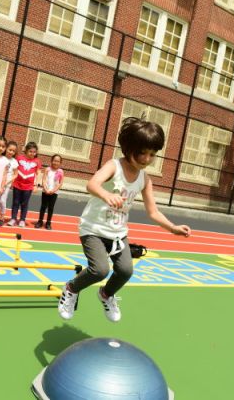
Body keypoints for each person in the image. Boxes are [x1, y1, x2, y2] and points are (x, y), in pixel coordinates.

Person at [58, 117, 191, 322]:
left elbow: (153, 211)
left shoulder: (144, 180)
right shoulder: (114, 166)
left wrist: (173, 228)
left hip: (118, 233)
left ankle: (106, 294)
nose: (146, 159)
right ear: (129, 147)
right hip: (93, 229)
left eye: (152, 154)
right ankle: (71, 288)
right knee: (100, 269)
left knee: (126, 270)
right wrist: (106, 195)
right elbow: (92, 184)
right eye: (142, 153)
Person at [8, 142, 42, 227]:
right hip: (17, 184)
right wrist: (12, 181)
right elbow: (14, 170)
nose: (32, 153)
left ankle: (22, 219)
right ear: (26, 151)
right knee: (15, 202)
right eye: (30, 151)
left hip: (28, 186)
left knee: (24, 203)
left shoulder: (37, 161)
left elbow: (38, 173)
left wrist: (36, 185)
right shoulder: (19, 158)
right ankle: (13, 218)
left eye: (34, 152)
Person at [0, 140, 19, 225]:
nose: (11, 152)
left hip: (6, 185)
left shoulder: (14, 162)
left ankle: (2, 217)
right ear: (6, 149)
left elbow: (16, 174)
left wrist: (8, 181)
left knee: (3, 201)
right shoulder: (1, 158)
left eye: (13, 151)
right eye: (10, 149)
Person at [34, 154, 64, 231]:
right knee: (43, 207)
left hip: (54, 192)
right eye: (54, 160)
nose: (56, 162)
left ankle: (48, 223)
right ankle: (40, 221)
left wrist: (53, 190)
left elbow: (60, 183)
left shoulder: (61, 171)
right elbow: (44, 179)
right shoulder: (47, 169)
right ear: (51, 161)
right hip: (45, 191)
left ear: (60, 163)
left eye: (58, 161)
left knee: (51, 208)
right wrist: (46, 189)